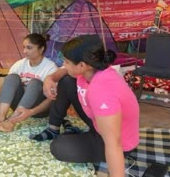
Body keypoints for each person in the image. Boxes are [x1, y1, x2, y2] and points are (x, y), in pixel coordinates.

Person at [31, 35, 139, 176]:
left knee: (59, 147)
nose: (64, 64)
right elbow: (64, 71)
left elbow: (114, 143)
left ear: (82, 65)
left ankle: (74, 135)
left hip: (118, 142)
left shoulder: (102, 91)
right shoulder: (90, 69)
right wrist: (50, 78)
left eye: (67, 62)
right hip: (98, 122)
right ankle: (53, 128)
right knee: (67, 81)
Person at [0, 33, 58, 132]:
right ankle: (1, 118)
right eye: (24, 47)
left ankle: (11, 121)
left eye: (29, 48)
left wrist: (31, 112)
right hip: (19, 107)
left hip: (39, 110)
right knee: (12, 77)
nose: (24, 51)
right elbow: (6, 83)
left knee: (35, 83)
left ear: (41, 49)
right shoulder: (20, 63)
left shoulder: (50, 67)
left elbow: (51, 99)